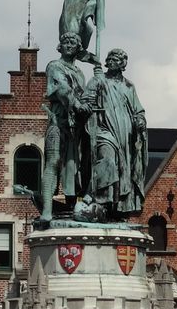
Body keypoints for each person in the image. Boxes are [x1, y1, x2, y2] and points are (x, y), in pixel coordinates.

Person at [82, 48, 147, 216]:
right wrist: (87, 106)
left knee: (122, 169)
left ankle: (114, 207)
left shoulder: (129, 86)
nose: (111, 61)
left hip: (125, 135)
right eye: (109, 58)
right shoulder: (98, 80)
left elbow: (138, 111)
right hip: (104, 129)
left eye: (115, 59)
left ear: (122, 64)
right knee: (107, 159)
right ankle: (98, 198)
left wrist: (140, 121)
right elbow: (86, 102)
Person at [40, 32, 94, 220]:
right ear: (60, 47)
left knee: (74, 167)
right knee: (53, 161)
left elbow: (84, 95)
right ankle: (47, 209)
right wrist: (79, 105)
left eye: (74, 42)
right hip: (59, 120)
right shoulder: (54, 66)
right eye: (66, 42)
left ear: (79, 48)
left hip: (76, 125)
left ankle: (72, 205)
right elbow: (62, 88)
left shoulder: (80, 73)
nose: (69, 44)